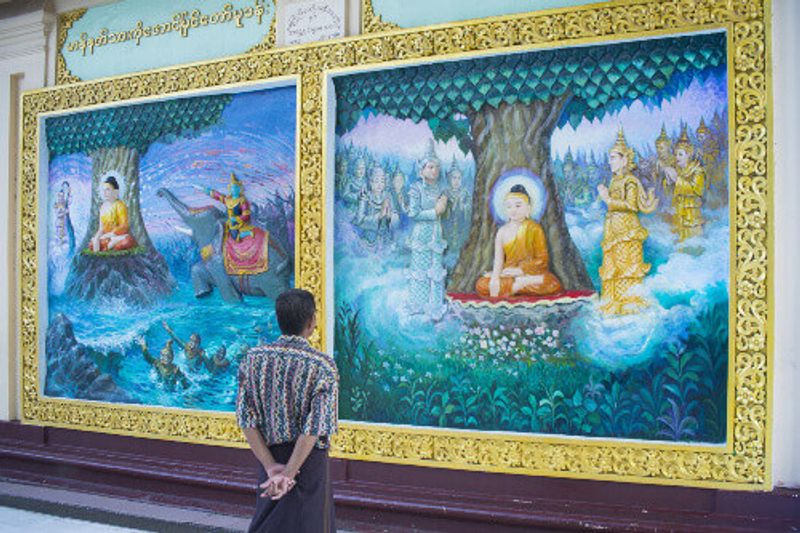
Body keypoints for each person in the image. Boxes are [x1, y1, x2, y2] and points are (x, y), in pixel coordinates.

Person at [236, 289, 338, 532]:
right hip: (308, 461)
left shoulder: (252, 359)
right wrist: (290, 474)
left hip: (269, 455)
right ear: (312, 321)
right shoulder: (322, 366)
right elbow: (314, 428)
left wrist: (272, 468)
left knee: (269, 521)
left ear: (278, 319)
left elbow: (245, 419)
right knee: (310, 523)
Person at [597, 127, 659, 315]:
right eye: (610, 158)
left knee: (626, 267)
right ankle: (612, 301)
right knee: (612, 266)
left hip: (627, 230)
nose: (610, 162)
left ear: (625, 160)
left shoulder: (630, 181)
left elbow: (632, 205)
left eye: (614, 158)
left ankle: (629, 302)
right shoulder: (614, 181)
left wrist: (608, 199)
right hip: (613, 229)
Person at [476, 184, 562, 298]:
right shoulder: (502, 231)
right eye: (509, 206)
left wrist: (520, 270)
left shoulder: (535, 229)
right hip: (508, 275)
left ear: (528, 208)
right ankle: (516, 286)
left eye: (518, 205)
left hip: (529, 275)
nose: (513, 210)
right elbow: (498, 261)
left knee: (552, 283)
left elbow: (542, 260)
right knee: (481, 285)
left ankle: (516, 286)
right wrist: (495, 278)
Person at [406, 140, 449, 321]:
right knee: (420, 271)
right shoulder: (416, 189)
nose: (434, 171)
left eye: (436, 167)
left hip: (436, 233)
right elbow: (413, 213)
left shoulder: (440, 189)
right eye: (430, 167)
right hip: (421, 234)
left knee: (435, 270)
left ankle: (435, 306)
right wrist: (435, 212)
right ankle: (418, 306)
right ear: (422, 170)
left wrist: (443, 208)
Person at [664, 126, 705, 241]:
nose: (677, 157)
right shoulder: (677, 170)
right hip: (678, 213)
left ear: (689, 155)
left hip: (691, 215)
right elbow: (669, 191)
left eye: (680, 154)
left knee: (692, 243)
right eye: (676, 154)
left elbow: (696, 190)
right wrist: (668, 181)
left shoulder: (697, 170)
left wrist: (677, 179)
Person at [197, 172, 255, 241]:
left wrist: (235, 219)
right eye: (232, 188)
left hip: (239, 222)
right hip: (230, 221)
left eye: (236, 188)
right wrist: (205, 190)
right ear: (230, 190)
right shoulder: (228, 200)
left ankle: (247, 233)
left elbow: (246, 215)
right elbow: (218, 196)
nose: (234, 190)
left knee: (234, 236)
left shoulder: (242, 201)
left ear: (240, 189)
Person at [89, 173, 138, 252]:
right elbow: (101, 228)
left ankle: (109, 244)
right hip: (106, 237)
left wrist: (111, 234)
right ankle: (109, 244)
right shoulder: (103, 207)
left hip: (118, 236)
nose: (105, 193)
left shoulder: (120, 205)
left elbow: (124, 226)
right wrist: (97, 238)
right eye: (104, 190)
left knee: (127, 241)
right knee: (92, 244)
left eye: (108, 189)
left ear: (116, 191)